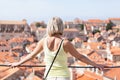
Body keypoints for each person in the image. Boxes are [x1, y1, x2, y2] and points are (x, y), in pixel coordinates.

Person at [10, 17, 105, 80]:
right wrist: (95, 65)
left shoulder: (43, 41)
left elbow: (31, 56)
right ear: (61, 27)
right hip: (63, 76)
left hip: (49, 76)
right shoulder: (66, 43)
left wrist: (18, 63)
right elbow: (80, 57)